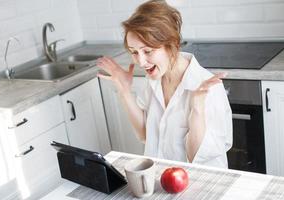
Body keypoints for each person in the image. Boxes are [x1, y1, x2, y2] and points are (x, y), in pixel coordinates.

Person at [97, 0, 232, 168]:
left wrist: (197, 108)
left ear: (172, 45)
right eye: (134, 52)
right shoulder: (154, 79)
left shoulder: (208, 88)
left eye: (147, 51)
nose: (141, 61)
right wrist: (124, 91)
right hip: (160, 179)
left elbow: (197, 158)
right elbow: (146, 134)